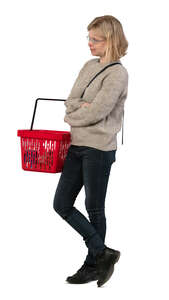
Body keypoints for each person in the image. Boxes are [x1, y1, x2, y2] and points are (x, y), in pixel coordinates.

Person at [53, 15, 129, 287]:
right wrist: (79, 109)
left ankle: (91, 264)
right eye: (89, 38)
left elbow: (99, 110)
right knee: (61, 204)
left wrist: (79, 112)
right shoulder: (88, 66)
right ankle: (103, 253)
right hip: (77, 145)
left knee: (94, 208)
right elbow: (70, 100)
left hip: (98, 148)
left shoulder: (118, 73)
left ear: (111, 41)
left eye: (95, 39)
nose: (90, 43)